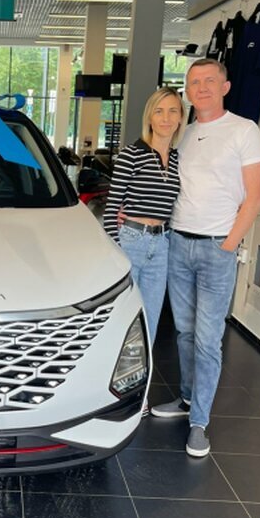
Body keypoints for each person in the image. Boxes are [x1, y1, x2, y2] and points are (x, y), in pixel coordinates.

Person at [151, 58, 260, 458]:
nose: (201, 88)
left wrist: (228, 244)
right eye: (194, 82)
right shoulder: (183, 133)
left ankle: (199, 422)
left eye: (209, 81)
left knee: (207, 339)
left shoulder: (243, 130)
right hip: (178, 244)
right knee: (183, 332)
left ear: (225, 86)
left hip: (217, 247)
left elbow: (255, 196)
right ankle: (186, 399)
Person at [103, 87, 185, 347]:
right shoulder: (132, 154)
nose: (166, 118)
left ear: (181, 117)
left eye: (173, 111)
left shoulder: (178, 160)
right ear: (150, 117)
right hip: (130, 240)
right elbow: (111, 210)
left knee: (150, 319)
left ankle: (143, 371)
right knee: (122, 317)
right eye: (159, 111)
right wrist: (117, 253)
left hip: (161, 246)